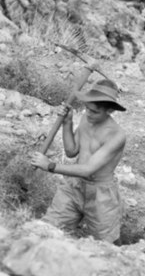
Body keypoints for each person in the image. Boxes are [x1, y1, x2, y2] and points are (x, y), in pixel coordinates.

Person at [31, 79, 126, 244]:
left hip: (100, 194)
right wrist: (67, 123)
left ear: (109, 110)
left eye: (95, 112)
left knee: (106, 244)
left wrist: (50, 166)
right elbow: (71, 151)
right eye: (87, 109)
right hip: (74, 186)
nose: (89, 114)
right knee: (47, 230)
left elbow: (88, 169)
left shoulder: (116, 135)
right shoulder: (86, 119)